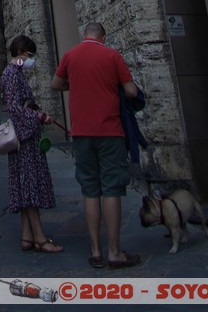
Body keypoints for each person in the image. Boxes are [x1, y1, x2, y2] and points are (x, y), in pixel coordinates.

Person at [51, 22, 142, 270]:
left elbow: (56, 84)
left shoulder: (70, 55)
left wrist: (76, 85)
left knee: (90, 189)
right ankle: (115, 252)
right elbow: (132, 91)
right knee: (112, 189)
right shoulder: (112, 55)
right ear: (103, 36)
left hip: (81, 133)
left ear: (84, 35)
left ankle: (95, 250)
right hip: (110, 132)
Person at [1, 35, 64, 255]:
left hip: (25, 136)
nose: (31, 59)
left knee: (25, 185)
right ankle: (40, 238)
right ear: (22, 53)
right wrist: (37, 116)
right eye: (30, 54)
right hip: (24, 139)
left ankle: (27, 235)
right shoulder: (11, 74)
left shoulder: (15, 73)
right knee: (30, 186)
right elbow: (15, 108)